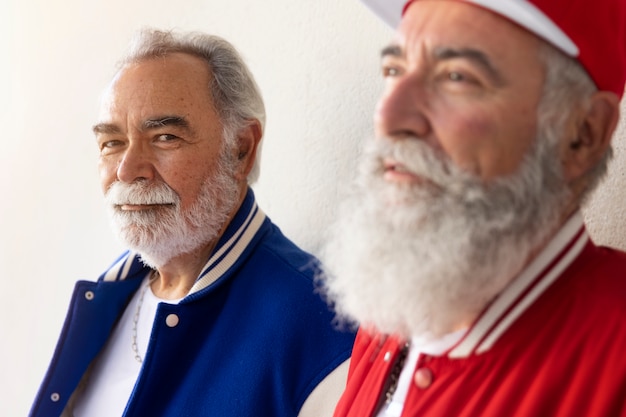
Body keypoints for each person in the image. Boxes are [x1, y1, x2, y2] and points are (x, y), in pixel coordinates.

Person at [320, 0, 626, 416]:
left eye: (456, 77)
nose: (390, 117)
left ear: (583, 135)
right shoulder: (396, 310)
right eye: (394, 70)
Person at [30, 28, 354, 417]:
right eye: (112, 143)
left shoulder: (321, 323)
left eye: (165, 137)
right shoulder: (105, 297)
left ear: (241, 149)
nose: (128, 170)